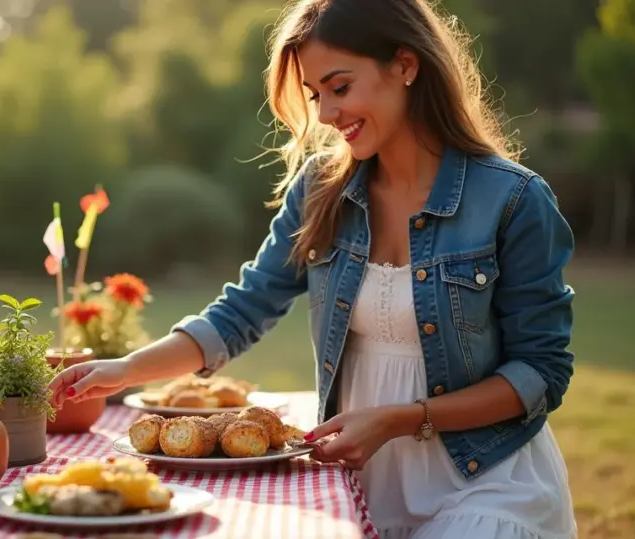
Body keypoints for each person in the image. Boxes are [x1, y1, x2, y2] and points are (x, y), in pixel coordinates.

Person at [48, 0, 577, 537]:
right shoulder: (321, 191)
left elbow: (540, 373)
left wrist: (401, 418)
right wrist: (125, 369)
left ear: (405, 65)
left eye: (340, 87)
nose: (325, 114)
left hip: (487, 480)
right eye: (315, 94)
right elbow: (244, 307)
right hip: (359, 480)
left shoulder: (514, 199)